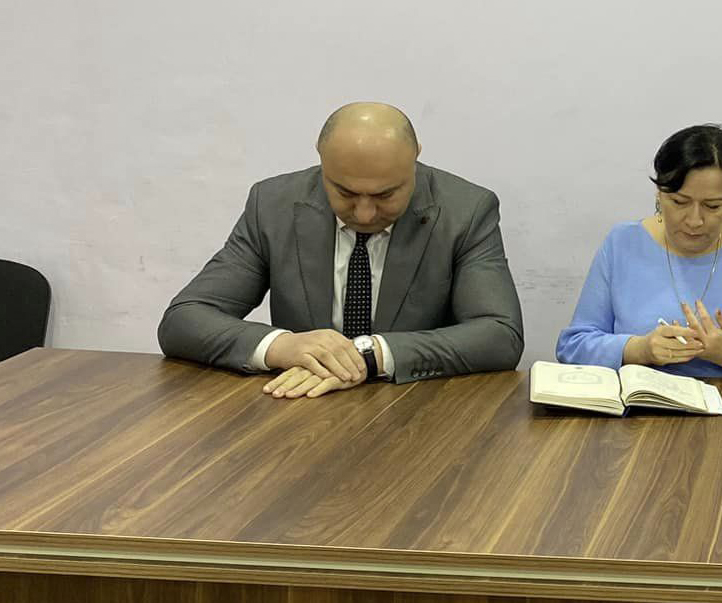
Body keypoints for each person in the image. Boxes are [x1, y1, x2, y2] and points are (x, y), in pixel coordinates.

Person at [158, 102, 524, 397]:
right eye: (345, 192)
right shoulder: (273, 205)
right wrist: (283, 347)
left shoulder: (466, 211)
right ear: (321, 160)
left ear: (415, 158)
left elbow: (499, 334)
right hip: (300, 409)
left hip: (418, 411)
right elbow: (184, 319)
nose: (364, 213)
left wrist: (368, 355)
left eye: (386, 195)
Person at [557, 124, 722, 380]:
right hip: (641, 406)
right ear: (659, 193)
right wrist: (640, 350)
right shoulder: (622, 244)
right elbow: (573, 347)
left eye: (712, 206)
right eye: (679, 202)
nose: (695, 220)